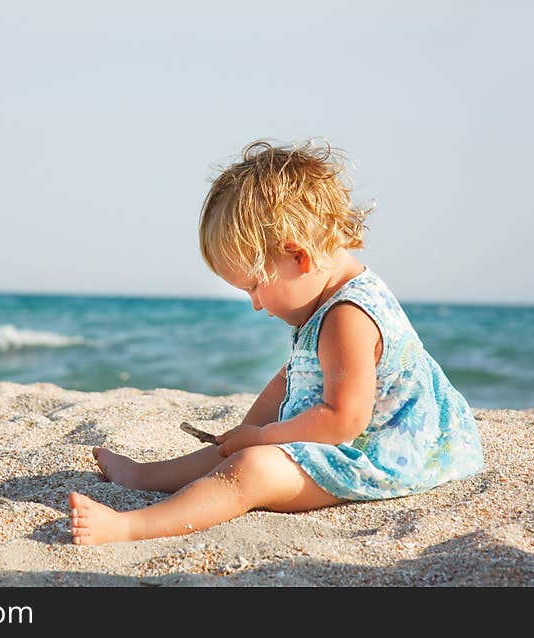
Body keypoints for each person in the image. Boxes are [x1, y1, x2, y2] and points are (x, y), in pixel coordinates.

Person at [67, 139, 484, 545]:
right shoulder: (324, 302)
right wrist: (251, 427)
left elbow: (344, 420)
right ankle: (142, 476)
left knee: (250, 467)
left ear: (298, 257)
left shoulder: (348, 317)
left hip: (380, 459)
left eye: (253, 286)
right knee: (239, 448)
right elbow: (293, 377)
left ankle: (130, 528)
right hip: (351, 445)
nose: (254, 304)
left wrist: (262, 439)